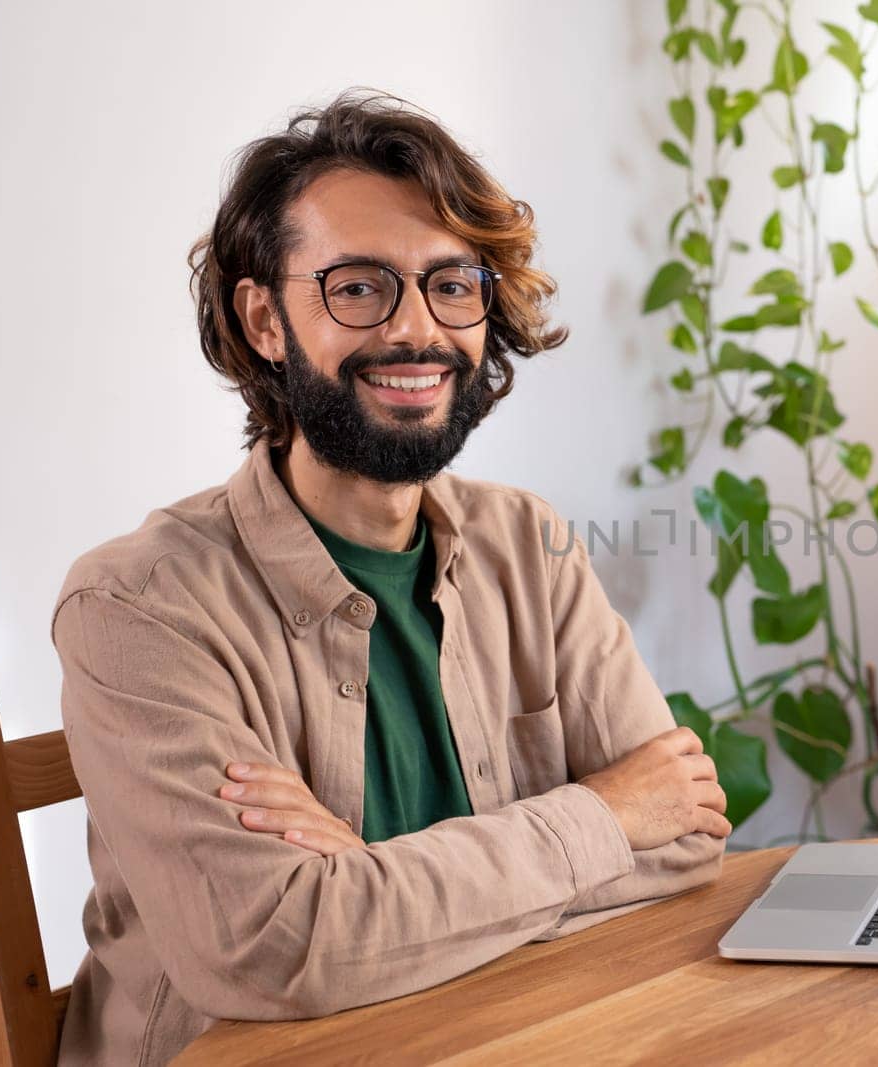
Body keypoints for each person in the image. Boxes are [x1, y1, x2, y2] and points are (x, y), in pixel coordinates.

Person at [49, 87, 729, 1066]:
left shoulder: (526, 540)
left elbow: (687, 832)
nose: (418, 329)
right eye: (358, 286)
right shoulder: (135, 605)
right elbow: (276, 947)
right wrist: (605, 813)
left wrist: (370, 885)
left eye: (451, 284)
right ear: (266, 319)